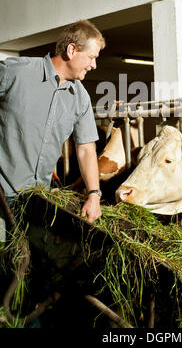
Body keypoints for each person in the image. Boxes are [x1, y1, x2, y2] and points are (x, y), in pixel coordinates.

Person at [0, 19, 105, 234]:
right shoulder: (17, 72)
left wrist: (94, 194)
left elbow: (86, 148)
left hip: (37, 202)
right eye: (91, 57)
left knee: (23, 263)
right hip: (2, 195)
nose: (94, 65)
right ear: (71, 50)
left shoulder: (80, 97)